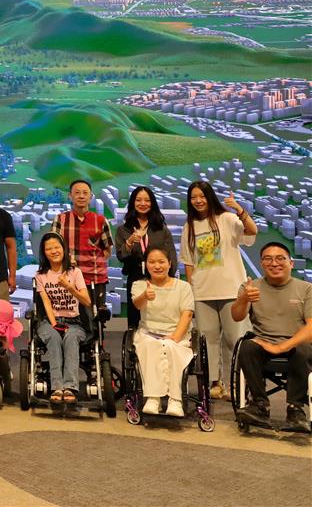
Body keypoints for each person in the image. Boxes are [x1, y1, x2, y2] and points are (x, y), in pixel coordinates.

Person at [180, 180, 257, 400]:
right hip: (203, 293)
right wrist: (192, 288)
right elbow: (188, 262)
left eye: (202, 196)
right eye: (193, 197)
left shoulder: (227, 219)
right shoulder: (189, 226)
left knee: (235, 338)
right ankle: (215, 382)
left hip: (233, 291)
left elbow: (252, 231)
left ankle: (238, 382)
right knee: (207, 339)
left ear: (209, 196)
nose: (198, 201)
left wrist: (239, 209)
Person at [230, 242, 312, 432]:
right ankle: (259, 405)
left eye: (280, 258)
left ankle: (296, 409)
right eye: (268, 259)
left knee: (304, 348)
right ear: (261, 264)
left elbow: (310, 327)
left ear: (291, 263)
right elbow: (237, 316)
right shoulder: (250, 287)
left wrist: (282, 347)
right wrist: (244, 299)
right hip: (263, 344)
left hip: (295, 344)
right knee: (247, 346)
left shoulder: (306, 288)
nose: (274, 263)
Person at [131, 247, 195, 417]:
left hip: (177, 334)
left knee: (171, 347)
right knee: (151, 346)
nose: (157, 266)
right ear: (146, 265)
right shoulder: (139, 285)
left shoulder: (183, 287)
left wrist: (175, 337)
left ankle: (175, 400)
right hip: (148, 333)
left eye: (161, 262)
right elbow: (137, 305)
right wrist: (145, 295)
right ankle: (153, 398)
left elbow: (187, 314)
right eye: (152, 262)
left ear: (169, 264)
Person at [34, 232, 92, 407]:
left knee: (71, 337)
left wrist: (69, 287)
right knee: (53, 336)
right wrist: (54, 324)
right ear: (44, 253)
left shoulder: (75, 272)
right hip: (50, 321)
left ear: (64, 249)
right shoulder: (41, 275)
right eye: (49, 248)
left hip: (74, 321)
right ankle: (57, 387)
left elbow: (87, 301)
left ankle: (70, 387)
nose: (53, 251)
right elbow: (46, 303)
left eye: (57, 247)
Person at [116, 186, 177, 330]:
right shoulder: (123, 230)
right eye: (138, 200)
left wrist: (170, 279)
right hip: (135, 276)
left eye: (147, 200)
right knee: (135, 318)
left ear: (152, 203)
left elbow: (171, 255)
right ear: (132, 203)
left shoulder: (161, 229)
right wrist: (130, 242)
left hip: (159, 277)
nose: (143, 203)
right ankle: (135, 349)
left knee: (159, 315)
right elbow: (121, 256)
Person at [51, 179, 113, 311]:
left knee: (95, 319)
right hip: (67, 279)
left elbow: (108, 250)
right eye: (77, 192)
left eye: (85, 193)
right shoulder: (60, 219)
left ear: (91, 197)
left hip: (95, 279)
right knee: (68, 317)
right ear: (70, 196)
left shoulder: (100, 220)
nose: (81, 196)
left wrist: (93, 262)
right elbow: (52, 249)